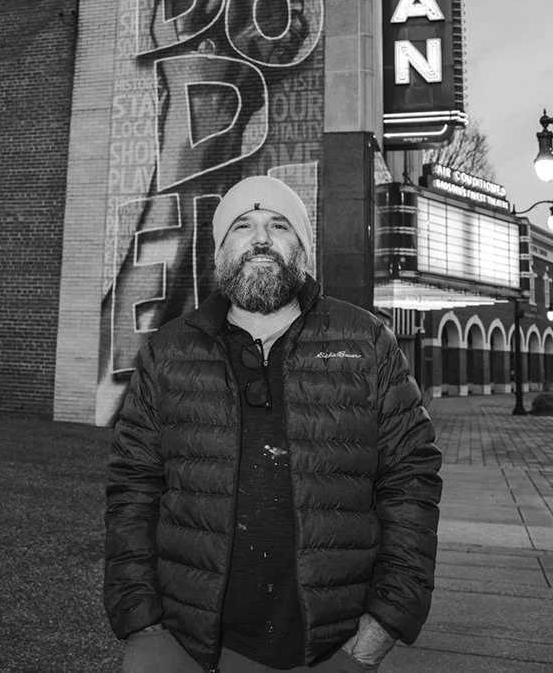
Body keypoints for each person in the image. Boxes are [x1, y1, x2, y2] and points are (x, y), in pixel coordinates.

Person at [104, 175, 442, 673]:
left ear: (302, 247)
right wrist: (141, 623)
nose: (261, 238)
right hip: (181, 644)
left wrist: (375, 636)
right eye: (242, 225)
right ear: (221, 249)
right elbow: (132, 489)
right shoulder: (167, 352)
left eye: (279, 225)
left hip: (329, 648)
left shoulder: (367, 342)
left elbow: (411, 483)